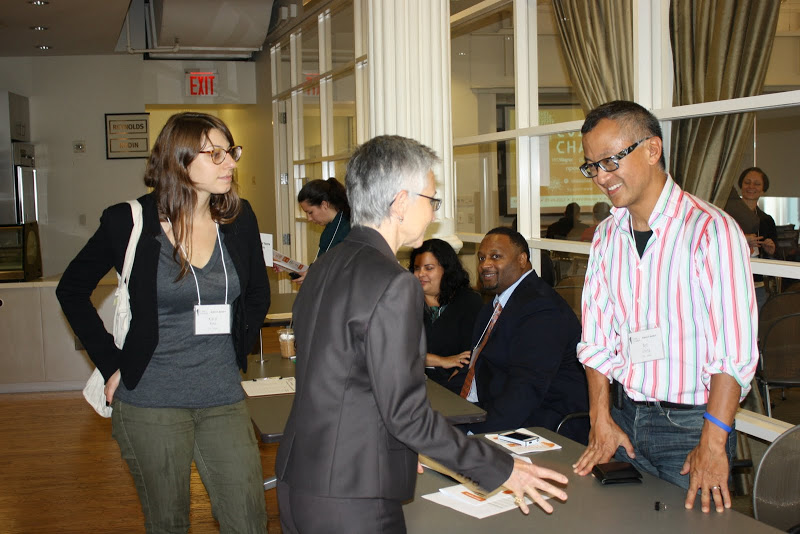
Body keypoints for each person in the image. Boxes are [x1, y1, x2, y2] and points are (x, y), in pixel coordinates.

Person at [275, 135, 568, 534]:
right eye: (431, 199)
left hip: (300, 477)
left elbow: (347, 380)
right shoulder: (394, 283)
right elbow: (406, 413)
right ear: (400, 202)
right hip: (352, 494)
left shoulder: (327, 264)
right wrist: (502, 469)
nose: (433, 212)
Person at [56, 112, 270, 533]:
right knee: (168, 522)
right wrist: (112, 364)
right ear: (179, 160)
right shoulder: (127, 222)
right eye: (215, 154)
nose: (230, 162)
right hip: (151, 401)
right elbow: (71, 290)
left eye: (231, 152)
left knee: (248, 519)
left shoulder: (239, 219)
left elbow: (257, 294)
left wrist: (235, 351)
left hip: (222, 397)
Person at [573, 100, 758, 514]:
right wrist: (600, 417)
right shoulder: (606, 236)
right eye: (592, 166)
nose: (601, 177)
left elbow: (734, 354)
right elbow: (596, 340)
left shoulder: (710, 230)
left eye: (610, 161)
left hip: (692, 428)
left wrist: (713, 442)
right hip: (624, 418)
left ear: (652, 149)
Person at [458, 226, 590, 443]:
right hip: (492, 410)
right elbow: (480, 367)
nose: (485, 264)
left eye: (495, 256)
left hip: (542, 426)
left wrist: (473, 433)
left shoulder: (542, 309)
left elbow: (525, 390)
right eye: (481, 258)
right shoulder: (495, 305)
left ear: (522, 260)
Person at [409, 238, 483, 394]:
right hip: (411, 384)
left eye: (429, 268)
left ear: (447, 270)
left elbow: (472, 355)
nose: (421, 274)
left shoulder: (469, 302)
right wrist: (442, 361)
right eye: (416, 268)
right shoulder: (405, 303)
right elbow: (398, 353)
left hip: (454, 388)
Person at [289, 178, 352, 284]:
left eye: (310, 212)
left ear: (324, 205)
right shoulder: (330, 228)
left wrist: (314, 276)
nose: (309, 218)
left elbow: (342, 270)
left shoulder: (348, 228)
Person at [737, 167, 778, 310]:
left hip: (758, 285)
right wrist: (742, 240)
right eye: (747, 182)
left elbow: (775, 255)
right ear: (741, 185)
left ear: (763, 189)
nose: (751, 187)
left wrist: (771, 250)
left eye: (757, 184)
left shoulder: (767, 220)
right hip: (732, 281)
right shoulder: (727, 215)